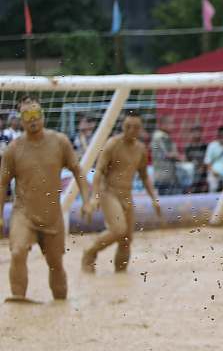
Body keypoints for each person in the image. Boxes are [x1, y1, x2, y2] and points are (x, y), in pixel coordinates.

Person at [0, 99, 90, 302]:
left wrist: (86, 200)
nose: (33, 120)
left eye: (36, 115)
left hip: (52, 214)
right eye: (27, 117)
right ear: (20, 121)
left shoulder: (60, 142)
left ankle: (61, 307)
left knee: (55, 263)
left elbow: (78, 171)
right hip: (23, 212)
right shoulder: (13, 149)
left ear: (43, 115)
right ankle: (18, 302)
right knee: (17, 252)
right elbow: (2, 184)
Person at [81, 112, 162, 274]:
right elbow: (98, 173)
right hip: (108, 192)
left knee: (126, 239)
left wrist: (154, 198)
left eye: (136, 127)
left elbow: (145, 177)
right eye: (128, 127)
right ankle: (90, 251)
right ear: (123, 127)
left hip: (127, 195)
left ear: (140, 129)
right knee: (118, 230)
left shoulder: (141, 149)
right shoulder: (112, 144)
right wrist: (95, 198)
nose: (131, 130)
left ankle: (120, 276)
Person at [150, 116, 184, 195]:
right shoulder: (161, 136)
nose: (173, 126)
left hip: (162, 175)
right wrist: (180, 157)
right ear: (162, 125)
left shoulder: (158, 136)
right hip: (165, 177)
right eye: (171, 123)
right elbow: (168, 154)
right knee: (172, 203)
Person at [183, 122, 207, 192]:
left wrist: (202, 167)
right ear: (191, 133)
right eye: (195, 131)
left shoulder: (205, 146)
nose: (197, 133)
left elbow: (208, 161)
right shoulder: (188, 147)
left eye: (199, 131)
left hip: (203, 179)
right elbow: (186, 162)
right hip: (192, 179)